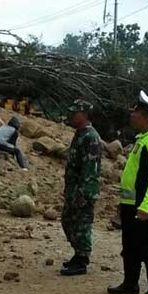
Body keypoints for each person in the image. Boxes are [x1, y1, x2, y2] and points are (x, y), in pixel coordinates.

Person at [108, 90, 148, 294]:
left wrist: (146, 206)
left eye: (135, 112)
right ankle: (130, 283)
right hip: (131, 203)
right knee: (130, 244)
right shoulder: (141, 139)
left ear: (145, 115)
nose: (132, 116)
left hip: (144, 205)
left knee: (146, 246)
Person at [60, 99, 102, 277]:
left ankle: (82, 259)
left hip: (83, 191)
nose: (71, 115)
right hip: (74, 189)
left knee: (81, 224)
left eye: (75, 112)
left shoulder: (90, 137)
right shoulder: (80, 134)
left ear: (84, 114)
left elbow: (90, 169)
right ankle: (78, 254)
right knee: (68, 221)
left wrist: (83, 193)